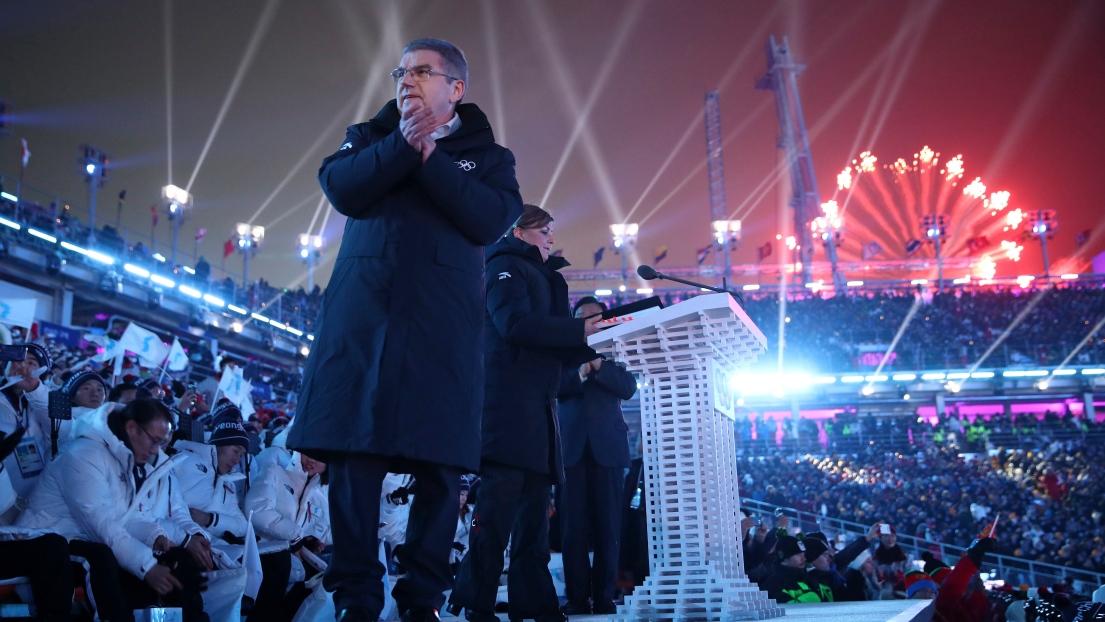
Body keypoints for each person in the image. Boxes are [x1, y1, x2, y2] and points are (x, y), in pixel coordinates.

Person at [287, 36, 524, 622]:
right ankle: (357, 602)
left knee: (441, 472)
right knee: (353, 465)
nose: (406, 81)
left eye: (422, 71)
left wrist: (429, 160)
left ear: (456, 89)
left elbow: (492, 218)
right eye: (400, 72)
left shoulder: (489, 156)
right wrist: (400, 145)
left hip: (443, 331)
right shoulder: (370, 137)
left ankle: (421, 602)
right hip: (365, 323)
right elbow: (341, 188)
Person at [451, 205, 599, 622]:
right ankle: (477, 604)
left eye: (553, 230)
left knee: (534, 519)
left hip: (538, 409)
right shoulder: (503, 267)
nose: (552, 237)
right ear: (519, 231)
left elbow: (552, 347)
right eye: (544, 230)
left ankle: (534, 605)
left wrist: (597, 339)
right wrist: (577, 331)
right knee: (495, 517)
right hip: (508, 409)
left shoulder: (546, 277)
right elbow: (513, 323)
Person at [16, 399, 210, 621]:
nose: (155, 451)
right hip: (51, 542)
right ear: (131, 428)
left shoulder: (124, 458)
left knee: (176, 560)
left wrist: (156, 538)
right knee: (101, 558)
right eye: (153, 441)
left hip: (87, 541)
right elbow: (101, 524)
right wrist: (147, 567)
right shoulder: (83, 455)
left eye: (161, 443)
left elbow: (127, 516)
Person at [555, 296, 637, 614]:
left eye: (596, 316)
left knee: (609, 527)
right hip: (570, 449)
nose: (590, 320)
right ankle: (576, 597)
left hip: (609, 450)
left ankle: (604, 596)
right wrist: (580, 371)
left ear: (606, 319)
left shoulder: (619, 350)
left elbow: (628, 387)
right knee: (572, 528)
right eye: (583, 316)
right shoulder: (562, 350)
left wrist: (599, 366)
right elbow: (553, 386)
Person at [245, 451, 330, 622]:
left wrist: (307, 541)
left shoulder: (317, 493)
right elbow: (257, 510)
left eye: (320, 457)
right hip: (261, 556)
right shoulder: (274, 472)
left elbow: (314, 531)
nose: (312, 459)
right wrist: (295, 537)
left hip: (292, 562)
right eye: (307, 452)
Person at [0, 343, 52, 504]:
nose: (23, 366)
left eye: (31, 363)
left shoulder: (44, 402)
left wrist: (34, 390)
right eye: (18, 360)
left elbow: (62, 431)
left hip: (35, 497)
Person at [758, 534, 832, 604]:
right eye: (798, 554)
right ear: (784, 559)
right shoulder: (773, 584)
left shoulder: (809, 579)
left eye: (803, 554)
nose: (804, 558)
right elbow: (789, 612)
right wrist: (815, 595)